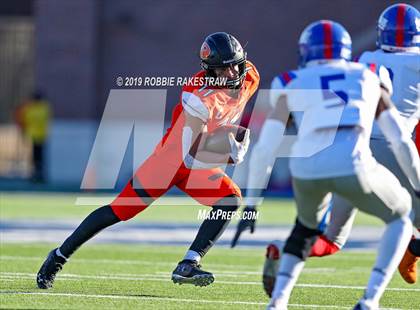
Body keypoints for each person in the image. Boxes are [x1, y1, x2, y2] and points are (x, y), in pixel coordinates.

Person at [36, 32, 260, 289]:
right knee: (119, 212)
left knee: (230, 199)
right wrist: (225, 150)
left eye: (235, 65)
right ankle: (58, 256)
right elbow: (190, 150)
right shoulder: (199, 97)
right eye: (223, 69)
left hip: (196, 163)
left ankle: (189, 264)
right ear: (210, 71)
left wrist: (231, 136)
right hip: (170, 161)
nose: (232, 73)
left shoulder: (250, 76)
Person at [243, 20, 419, 309]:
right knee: (401, 217)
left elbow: (265, 149)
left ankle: (278, 302)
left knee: (305, 230)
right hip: (353, 160)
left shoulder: (290, 81)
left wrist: (252, 203)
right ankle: (370, 299)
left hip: (306, 168)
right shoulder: (369, 74)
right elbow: (399, 139)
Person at [15, 91, 51, 182]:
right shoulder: (45, 108)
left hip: (32, 135)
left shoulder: (30, 109)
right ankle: (39, 174)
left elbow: (22, 119)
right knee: (40, 157)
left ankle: (35, 174)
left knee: (34, 157)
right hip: (41, 136)